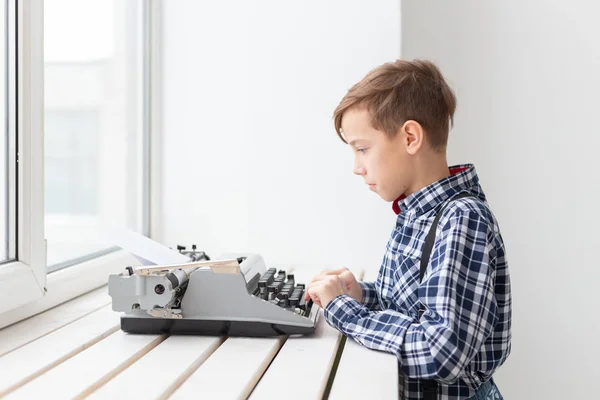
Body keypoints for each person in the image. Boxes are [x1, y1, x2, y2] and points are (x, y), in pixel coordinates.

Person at [304, 59, 511, 399]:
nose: (356, 167)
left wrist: (344, 310)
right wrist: (362, 295)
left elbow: (440, 352)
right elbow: (414, 307)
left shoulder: (461, 220)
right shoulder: (417, 213)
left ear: (411, 137)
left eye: (362, 149)